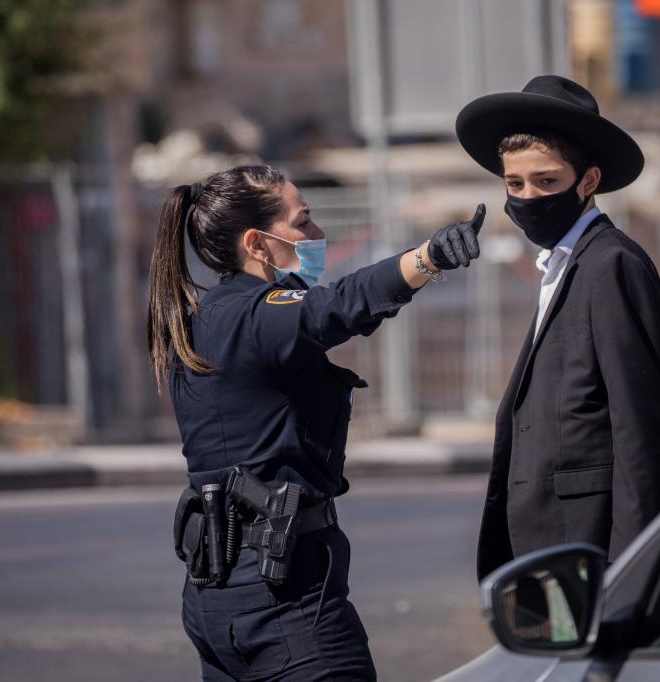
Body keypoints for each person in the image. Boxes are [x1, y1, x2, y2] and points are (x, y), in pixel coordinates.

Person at [147, 164, 485, 681]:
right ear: (258, 244)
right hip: (283, 603)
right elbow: (337, 306)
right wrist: (428, 258)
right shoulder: (255, 317)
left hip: (217, 597)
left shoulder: (206, 318)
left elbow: (311, 308)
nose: (317, 234)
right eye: (303, 222)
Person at [455, 75, 660, 581]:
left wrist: (631, 572)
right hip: (546, 548)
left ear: (587, 181)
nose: (527, 197)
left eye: (546, 181)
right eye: (514, 184)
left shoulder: (611, 265)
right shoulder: (561, 264)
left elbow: (641, 433)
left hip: (589, 552)